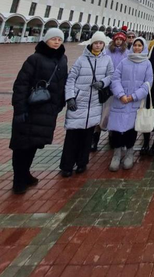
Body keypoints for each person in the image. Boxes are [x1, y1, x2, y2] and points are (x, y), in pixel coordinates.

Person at [10, 28, 68, 194]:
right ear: (46, 40)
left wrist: (60, 103)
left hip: (47, 111)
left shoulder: (62, 59)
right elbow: (21, 85)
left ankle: (25, 173)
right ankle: (18, 180)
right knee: (22, 146)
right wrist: (20, 109)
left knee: (34, 144)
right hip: (30, 109)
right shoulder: (34, 59)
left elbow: (63, 82)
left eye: (59, 39)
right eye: (53, 39)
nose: (56, 42)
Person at [60, 32, 113, 177]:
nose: (98, 45)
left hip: (95, 103)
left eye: (100, 43)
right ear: (91, 43)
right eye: (96, 43)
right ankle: (67, 165)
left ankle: (82, 163)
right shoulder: (81, 60)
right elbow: (71, 79)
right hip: (79, 101)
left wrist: (103, 83)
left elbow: (111, 75)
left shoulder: (107, 59)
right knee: (72, 136)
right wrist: (70, 97)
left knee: (87, 136)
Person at [107, 37, 153, 171]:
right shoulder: (124, 61)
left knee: (131, 129)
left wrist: (134, 96)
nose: (137, 48)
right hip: (120, 100)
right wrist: (121, 94)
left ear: (143, 47)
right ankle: (116, 154)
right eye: (135, 45)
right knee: (116, 129)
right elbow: (115, 79)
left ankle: (129, 152)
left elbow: (148, 83)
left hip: (135, 102)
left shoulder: (147, 63)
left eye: (140, 45)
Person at [89, 30, 128, 152]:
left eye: (121, 40)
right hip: (105, 87)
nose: (118, 41)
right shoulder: (106, 52)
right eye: (117, 39)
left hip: (118, 88)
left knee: (113, 114)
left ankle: (112, 136)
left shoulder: (126, 53)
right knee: (101, 113)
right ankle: (95, 138)